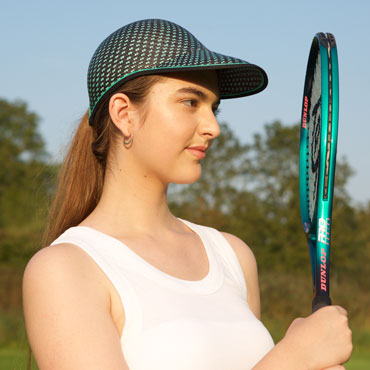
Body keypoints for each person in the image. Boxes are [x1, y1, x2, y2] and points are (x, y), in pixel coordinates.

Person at [22, 19, 352, 370]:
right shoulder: (65, 269)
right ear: (124, 113)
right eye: (190, 102)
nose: (213, 127)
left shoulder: (233, 255)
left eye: (214, 107)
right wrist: (294, 358)